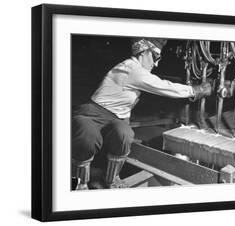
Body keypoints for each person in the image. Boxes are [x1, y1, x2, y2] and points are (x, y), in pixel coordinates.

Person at [72, 37, 212, 189]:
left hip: (116, 118)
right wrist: (196, 90)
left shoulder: (137, 71)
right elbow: (164, 87)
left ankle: (112, 179)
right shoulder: (132, 68)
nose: (156, 63)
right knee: (88, 136)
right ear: (143, 51)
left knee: (124, 134)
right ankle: (81, 183)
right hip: (92, 114)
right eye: (155, 56)